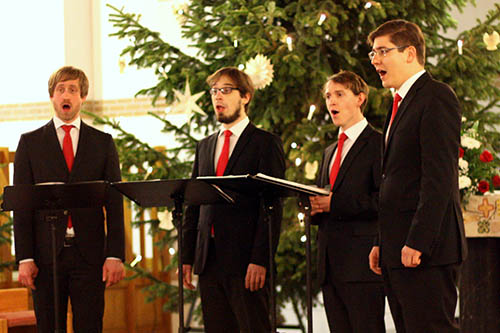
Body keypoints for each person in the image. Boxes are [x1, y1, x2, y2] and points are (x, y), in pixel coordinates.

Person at [367, 20, 467, 332]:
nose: (375, 60)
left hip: (425, 252)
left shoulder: (435, 97)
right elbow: (394, 179)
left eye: (383, 51)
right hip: (398, 249)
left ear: (410, 53)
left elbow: (438, 180)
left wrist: (418, 242)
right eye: (373, 53)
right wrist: (382, 241)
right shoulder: (399, 102)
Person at [13, 66, 125, 332]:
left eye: (73, 89)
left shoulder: (103, 142)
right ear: (52, 96)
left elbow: (115, 202)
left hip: (90, 256)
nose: (66, 94)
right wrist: (25, 257)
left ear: (82, 97)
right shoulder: (30, 144)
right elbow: (22, 206)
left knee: (90, 326)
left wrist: (115, 255)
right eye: (60, 89)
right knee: (50, 327)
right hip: (45, 256)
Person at [181, 67, 285, 332]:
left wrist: (260, 259)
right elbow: (194, 204)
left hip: (245, 259)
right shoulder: (204, 146)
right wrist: (187, 256)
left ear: (246, 97)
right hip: (209, 259)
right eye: (215, 91)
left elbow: (272, 207)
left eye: (226, 90)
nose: (218, 97)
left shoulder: (265, 143)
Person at [309, 70, 385, 332]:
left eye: (340, 94)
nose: (332, 102)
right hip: (330, 266)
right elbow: (327, 198)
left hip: (362, 265)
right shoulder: (330, 151)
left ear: (360, 98)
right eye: (329, 96)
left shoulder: (378, 144)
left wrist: (335, 203)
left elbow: (382, 201)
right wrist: (314, 207)